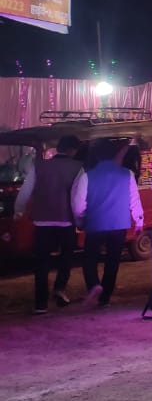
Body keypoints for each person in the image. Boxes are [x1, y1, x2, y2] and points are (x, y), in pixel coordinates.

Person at [14, 134, 84, 314]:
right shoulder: (78, 168)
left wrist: (19, 211)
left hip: (42, 221)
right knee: (66, 257)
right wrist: (79, 220)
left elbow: (25, 191)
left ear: (58, 148)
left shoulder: (39, 166)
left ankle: (40, 304)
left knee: (42, 262)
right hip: (66, 221)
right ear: (73, 150)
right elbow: (77, 199)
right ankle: (59, 288)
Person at [72, 138, 144, 308]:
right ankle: (105, 298)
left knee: (90, 258)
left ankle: (94, 285)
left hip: (95, 223)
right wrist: (139, 221)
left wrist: (80, 220)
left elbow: (79, 205)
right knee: (113, 261)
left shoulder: (87, 176)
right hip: (119, 224)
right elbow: (134, 200)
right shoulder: (127, 174)